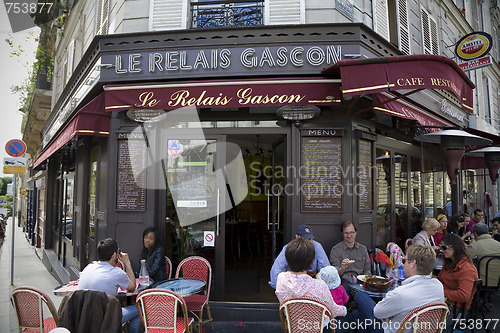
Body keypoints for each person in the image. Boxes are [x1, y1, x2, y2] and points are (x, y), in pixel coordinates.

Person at [337, 245, 444, 333]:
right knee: (358, 317)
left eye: (404, 261)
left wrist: (389, 317)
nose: (403, 264)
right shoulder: (439, 286)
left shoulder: (401, 293)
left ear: (413, 264)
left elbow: (378, 313)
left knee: (360, 296)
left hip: (392, 330)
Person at [275, 238, 347, 332]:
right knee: (351, 317)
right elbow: (333, 310)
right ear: (310, 262)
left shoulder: (281, 279)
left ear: (288, 259)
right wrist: (345, 310)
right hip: (319, 328)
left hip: (294, 327)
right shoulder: (320, 285)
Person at [78, 238, 141, 333]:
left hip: (84, 319)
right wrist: (127, 263)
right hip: (107, 320)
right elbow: (132, 286)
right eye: (118, 251)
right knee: (140, 309)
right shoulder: (116, 273)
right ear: (114, 255)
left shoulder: (87, 268)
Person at [269, 224, 330, 288]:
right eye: (305, 239)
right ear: (297, 236)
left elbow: (325, 267)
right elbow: (277, 268)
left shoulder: (317, 246)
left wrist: (324, 286)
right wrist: (278, 287)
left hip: (311, 282)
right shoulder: (289, 247)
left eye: (310, 239)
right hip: (292, 282)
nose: (308, 242)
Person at [437, 234, 478, 314]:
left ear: (455, 247)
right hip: (445, 303)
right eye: (441, 247)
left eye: (444, 248)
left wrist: (441, 292)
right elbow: (440, 279)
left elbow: (463, 296)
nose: (441, 250)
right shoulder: (449, 263)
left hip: (456, 309)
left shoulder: (467, 269)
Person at [467, 223, 500, 288]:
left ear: (475, 234)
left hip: (483, 282)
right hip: (498, 282)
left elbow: (464, 259)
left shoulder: (475, 246)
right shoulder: (498, 244)